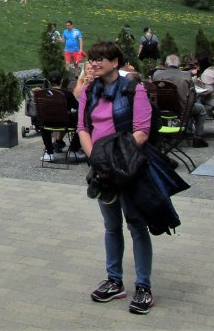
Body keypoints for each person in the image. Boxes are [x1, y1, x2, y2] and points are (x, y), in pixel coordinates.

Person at [77, 40, 155, 315]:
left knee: (136, 224)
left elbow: (142, 130)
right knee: (111, 226)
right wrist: (96, 159)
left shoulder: (134, 89)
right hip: (101, 170)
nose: (95, 63)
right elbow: (83, 127)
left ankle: (143, 286)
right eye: (93, 59)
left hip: (127, 167)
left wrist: (113, 158)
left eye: (101, 59)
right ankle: (114, 280)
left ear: (115, 63)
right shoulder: (90, 91)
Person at [152, 54, 209, 147]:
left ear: (166, 64)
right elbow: (193, 95)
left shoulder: (157, 74)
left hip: (160, 108)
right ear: (179, 65)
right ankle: (198, 138)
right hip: (181, 110)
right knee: (201, 109)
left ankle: (166, 133)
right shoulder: (186, 76)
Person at [38, 71, 79, 162]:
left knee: (43, 125)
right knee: (82, 126)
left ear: (48, 82)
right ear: (62, 81)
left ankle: (49, 153)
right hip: (66, 124)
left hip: (47, 124)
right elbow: (76, 106)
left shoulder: (43, 94)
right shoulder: (67, 94)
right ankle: (73, 149)